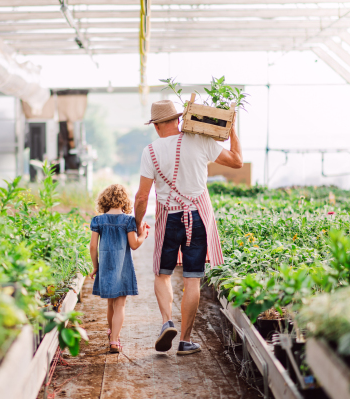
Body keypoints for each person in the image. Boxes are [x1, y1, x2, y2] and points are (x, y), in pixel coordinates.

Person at [134, 100, 243, 355]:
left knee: (162, 274)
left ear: (157, 126)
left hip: (168, 217)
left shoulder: (150, 151)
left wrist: (138, 224)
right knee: (192, 279)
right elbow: (237, 161)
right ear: (178, 120)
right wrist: (232, 130)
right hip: (198, 216)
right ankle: (185, 340)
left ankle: (166, 323)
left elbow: (141, 197)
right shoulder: (200, 141)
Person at [89, 184, 149, 353]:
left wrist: (96, 266)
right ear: (124, 201)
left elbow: (93, 246)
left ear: (104, 200)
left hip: (106, 266)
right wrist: (142, 235)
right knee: (120, 305)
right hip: (122, 266)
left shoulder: (98, 220)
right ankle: (115, 340)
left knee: (110, 304)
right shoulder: (128, 221)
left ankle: (111, 333)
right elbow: (134, 244)